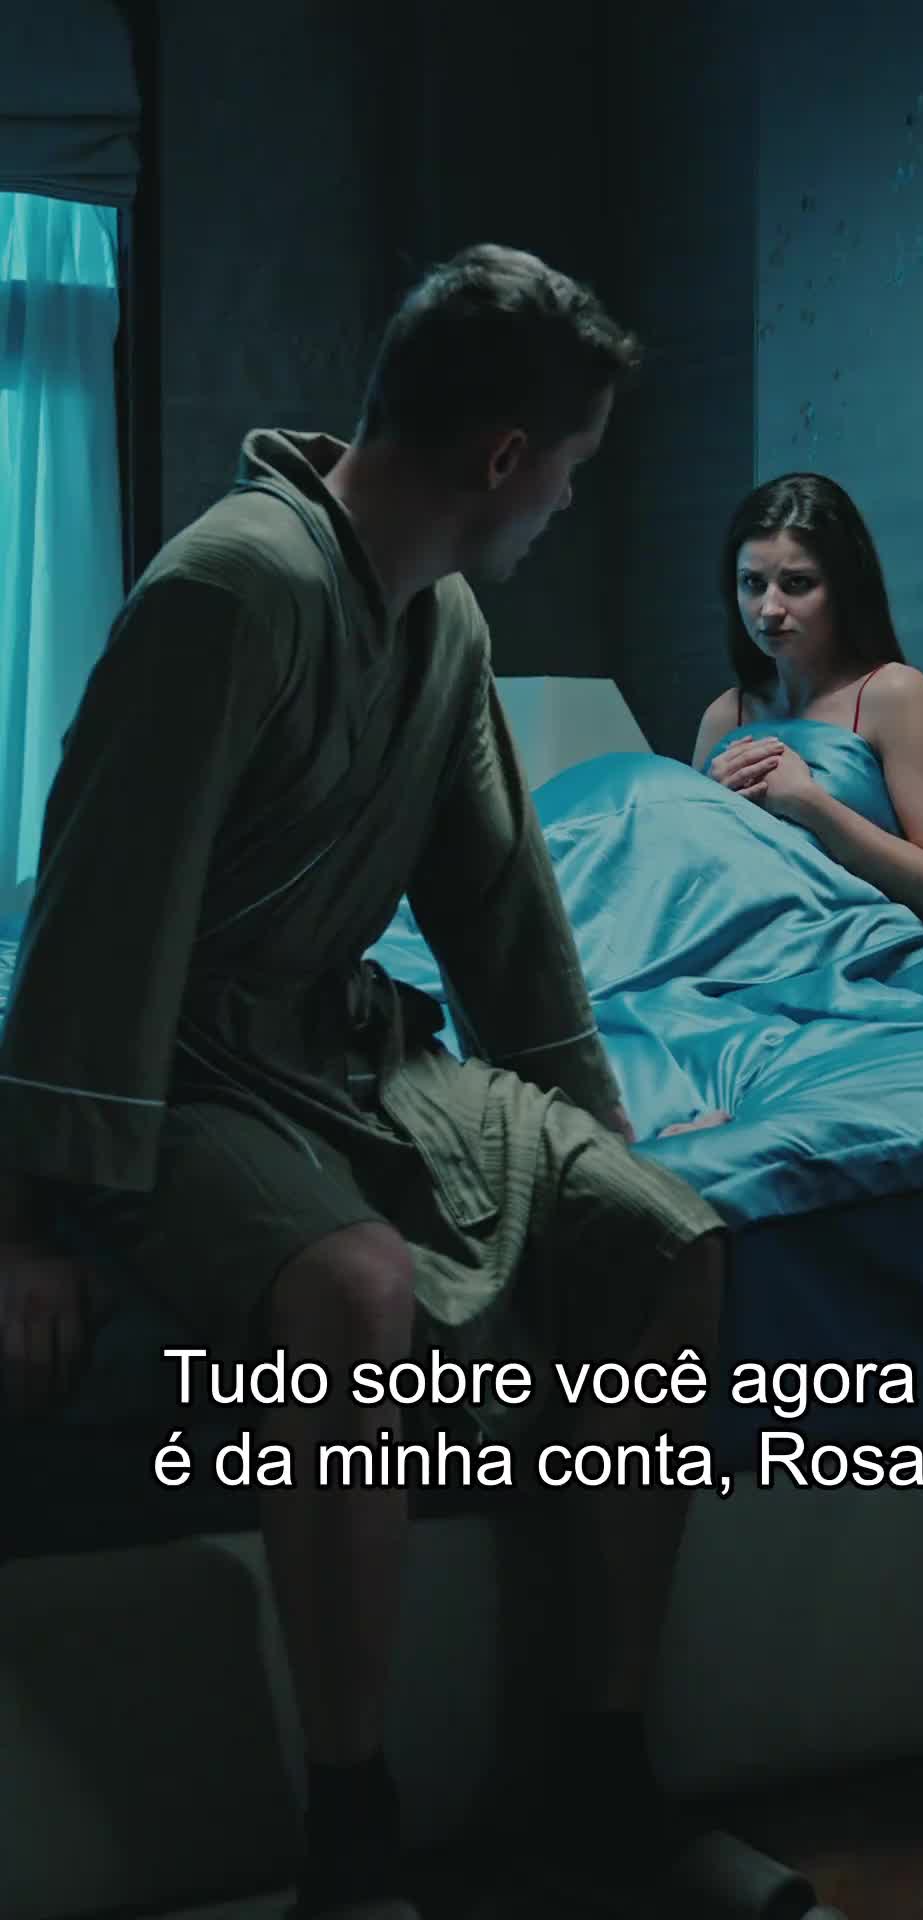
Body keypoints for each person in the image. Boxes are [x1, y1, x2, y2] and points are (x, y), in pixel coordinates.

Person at [0, 246, 734, 1920]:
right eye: (571, 469)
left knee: (667, 1234)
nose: (567, 501)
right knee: (352, 1286)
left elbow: (500, 907)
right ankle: (352, 1829)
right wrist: (20, 1225)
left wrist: (589, 1129)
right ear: (503, 457)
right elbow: (94, 916)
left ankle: (603, 1764)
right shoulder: (230, 588)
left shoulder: (446, 620)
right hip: (189, 1062)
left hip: (353, 1050)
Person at [693, 473, 923, 936]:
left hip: (866, 944)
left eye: (797, 583)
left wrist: (808, 803)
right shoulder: (726, 716)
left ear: (844, 588)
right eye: (752, 583)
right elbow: (691, 881)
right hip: (749, 947)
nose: (769, 609)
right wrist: (705, 813)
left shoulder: (894, 694)